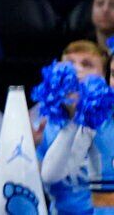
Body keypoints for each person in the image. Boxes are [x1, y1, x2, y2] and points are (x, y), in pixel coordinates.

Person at [39, 40, 112, 214]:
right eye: (69, 64)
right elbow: (46, 177)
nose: (76, 71)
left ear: (105, 76)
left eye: (86, 64)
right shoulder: (45, 123)